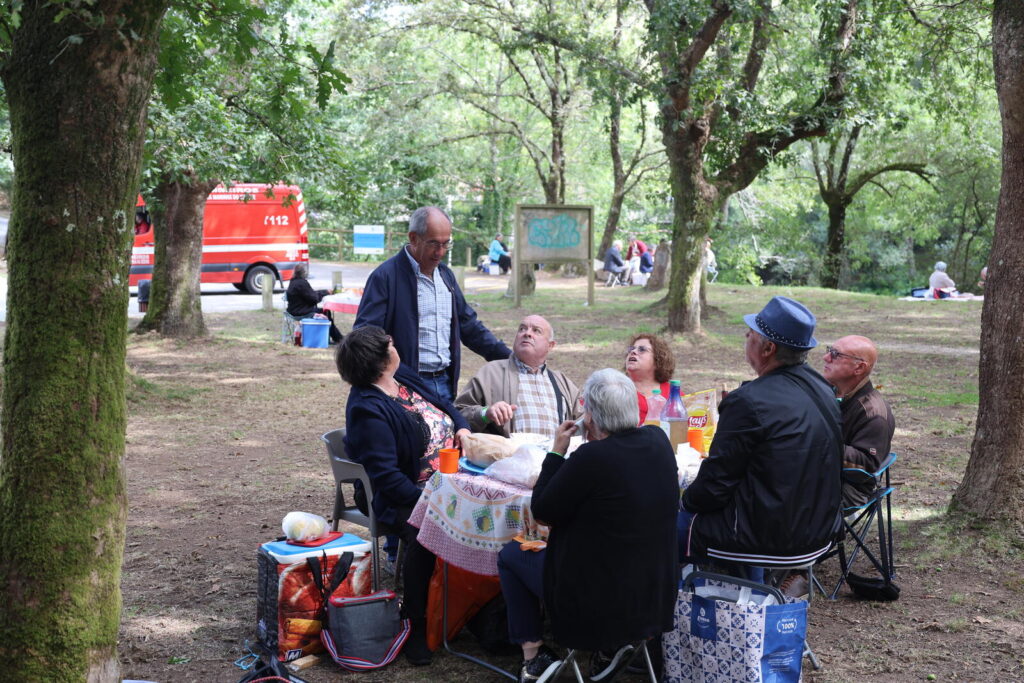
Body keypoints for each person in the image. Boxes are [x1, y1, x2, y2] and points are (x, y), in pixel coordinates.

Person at [497, 369, 678, 683]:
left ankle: (534, 655)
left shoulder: (591, 456)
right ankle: (610, 649)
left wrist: (557, 450)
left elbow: (542, 512)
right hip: (654, 596)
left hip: (593, 601)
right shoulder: (658, 440)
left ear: (590, 417)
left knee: (511, 555)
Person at [678, 296, 842, 596]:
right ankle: (753, 596)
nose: (746, 335)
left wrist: (683, 502)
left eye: (752, 332)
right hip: (820, 530)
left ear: (768, 349)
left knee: (663, 524)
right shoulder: (822, 387)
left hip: (772, 539)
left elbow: (714, 487)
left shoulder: (748, 401)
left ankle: (662, 614)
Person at [336, 325, 471, 666]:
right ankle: (415, 622)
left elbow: (447, 405)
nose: (395, 345)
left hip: (449, 481)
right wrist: (431, 502)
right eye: (391, 344)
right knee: (423, 531)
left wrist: (463, 427)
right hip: (399, 496)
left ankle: (476, 610)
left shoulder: (403, 377)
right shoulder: (367, 408)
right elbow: (387, 477)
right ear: (381, 360)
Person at [354, 206, 511, 402]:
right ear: (413, 238)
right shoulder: (385, 277)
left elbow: (469, 326)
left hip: (445, 384)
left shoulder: (446, 276)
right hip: (403, 387)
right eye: (434, 244)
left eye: (446, 244)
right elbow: (365, 337)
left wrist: (508, 357)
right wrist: (390, 381)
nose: (440, 252)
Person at [455, 315, 582, 438]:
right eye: (522, 329)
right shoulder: (491, 373)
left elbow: (585, 422)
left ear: (550, 345)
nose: (527, 333)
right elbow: (459, 414)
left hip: (555, 453)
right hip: (506, 452)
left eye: (536, 331)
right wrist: (485, 413)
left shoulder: (563, 383)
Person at [821, 335, 896, 508]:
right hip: (817, 474)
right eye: (829, 351)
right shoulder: (825, 390)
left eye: (836, 354)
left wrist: (816, 444)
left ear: (859, 367)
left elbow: (865, 465)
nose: (826, 357)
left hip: (847, 489)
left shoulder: (873, 413)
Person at [622, 332, 676, 424]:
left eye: (642, 349)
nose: (633, 352)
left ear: (658, 359)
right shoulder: (616, 389)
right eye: (631, 349)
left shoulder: (673, 393)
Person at [286, 262, 342, 344]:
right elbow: (314, 299)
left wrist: (324, 292)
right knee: (325, 311)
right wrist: (325, 293)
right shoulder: (302, 283)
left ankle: (336, 337)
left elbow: (310, 294)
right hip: (301, 312)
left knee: (324, 311)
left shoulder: (294, 281)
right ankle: (336, 338)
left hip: (293, 310)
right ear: (304, 273)